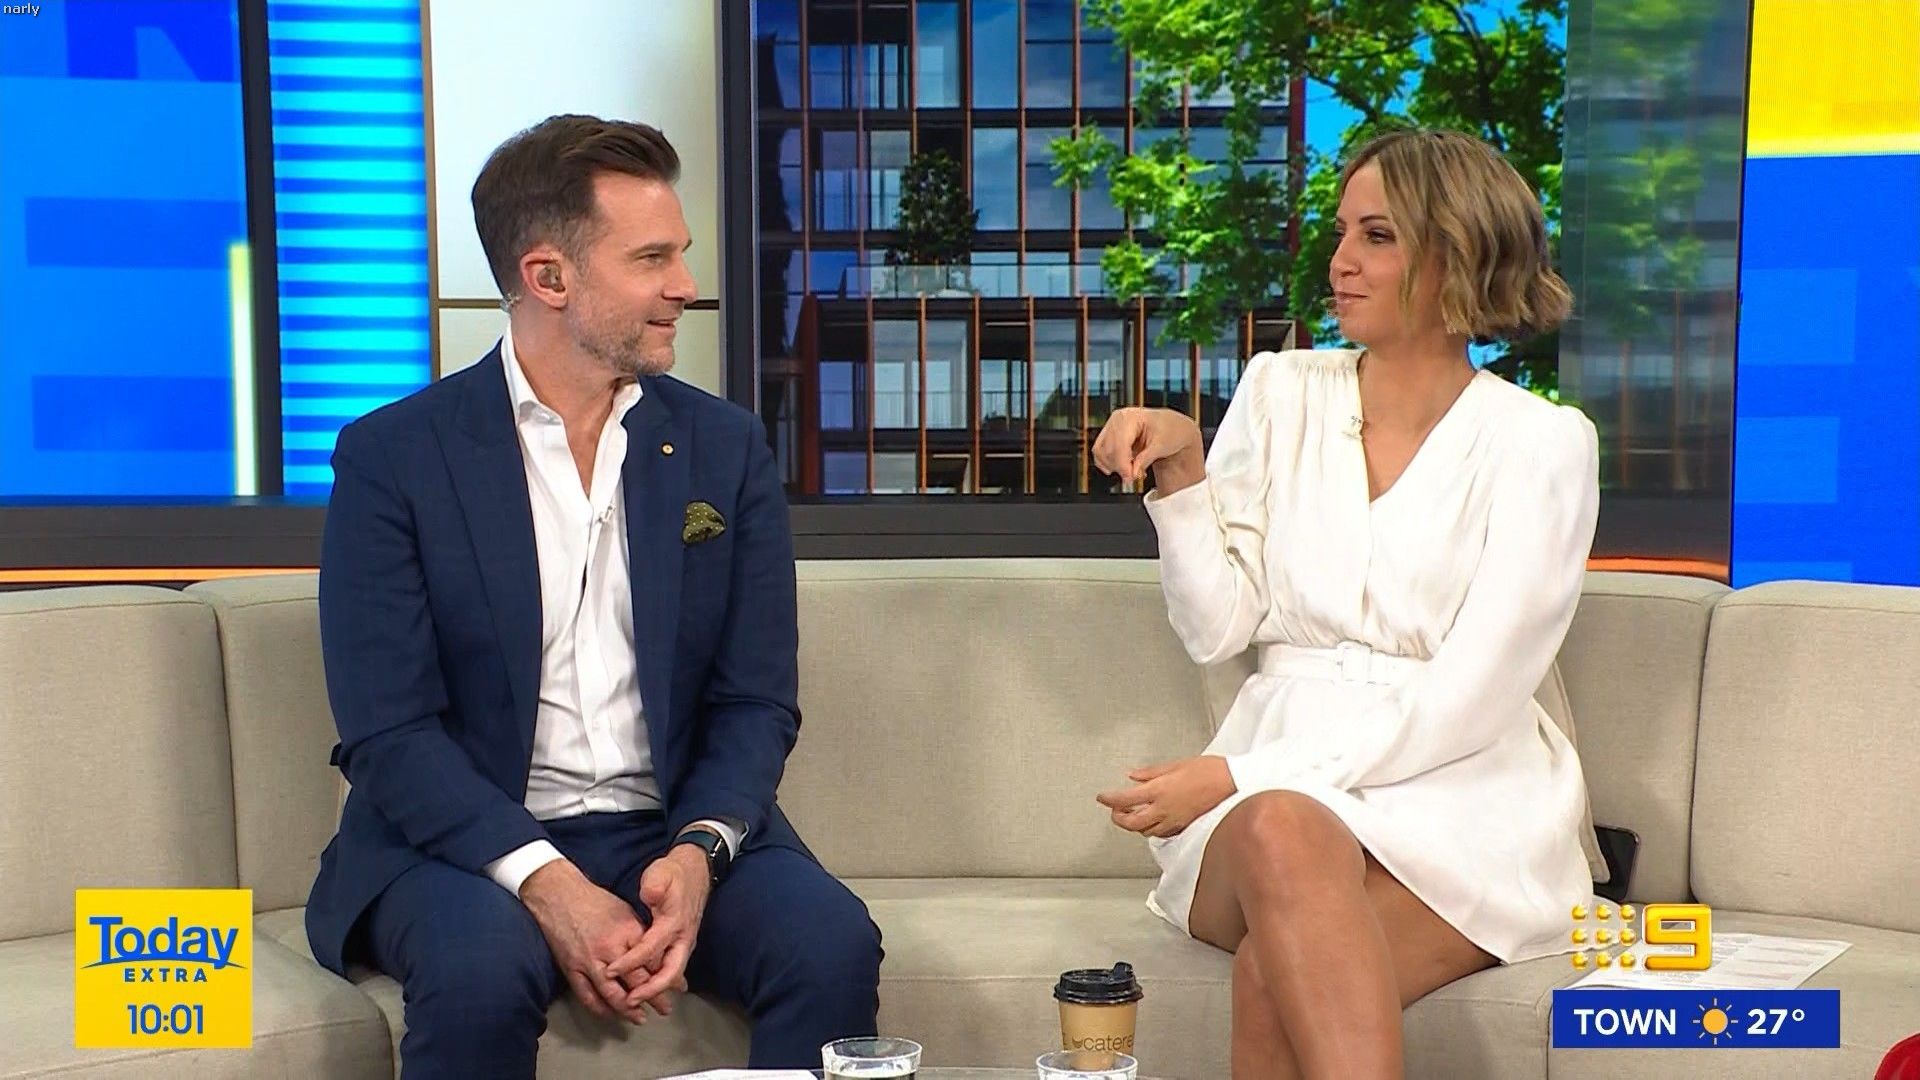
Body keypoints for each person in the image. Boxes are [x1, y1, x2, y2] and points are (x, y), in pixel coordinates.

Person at [305, 114, 882, 1078]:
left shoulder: (725, 448)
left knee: (829, 942)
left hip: (669, 827)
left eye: (681, 254)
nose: (684, 286)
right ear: (548, 277)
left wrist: (700, 852)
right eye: (652, 259)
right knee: (479, 972)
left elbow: (755, 699)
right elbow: (389, 732)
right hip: (460, 847)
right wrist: (547, 882)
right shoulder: (394, 457)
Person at [1091, 128, 1599, 1080]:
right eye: (1341, 233)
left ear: (1456, 253)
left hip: (1460, 795)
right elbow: (1215, 630)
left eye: (1378, 236)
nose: (1340, 262)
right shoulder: (1280, 390)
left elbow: (1470, 702)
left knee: (1271, 975)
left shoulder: (1544, 444)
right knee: (1283, 826)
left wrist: (1237, 774)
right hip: (1271, 806)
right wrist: (1184, 476)